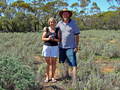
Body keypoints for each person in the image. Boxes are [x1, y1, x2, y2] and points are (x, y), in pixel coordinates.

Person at [56, 8, 80, 84]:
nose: (65, 15)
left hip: (71, 47)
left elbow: (77, 35)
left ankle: (74, 80)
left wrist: (76, 46)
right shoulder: (59, 23)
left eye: (67, 13)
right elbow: (54, 31)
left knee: (73, 63)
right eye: (64, 13)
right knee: (63, 62)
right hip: (61, 47)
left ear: (69, 14)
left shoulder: (73, 23)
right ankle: (66, 76)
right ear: (62, 15)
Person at [42, 17, 60, 83]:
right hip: (47, 47)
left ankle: (52, 77)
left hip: (54, 47)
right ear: (49, 23)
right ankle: (47, 77)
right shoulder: (46, 29)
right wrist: (48, 39)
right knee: (47, 63)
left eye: (53, 22)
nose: (52, 23)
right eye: (51, 22)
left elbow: (59, 39)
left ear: (55, 23)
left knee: (53, 63)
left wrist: (54, 39)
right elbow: (42, 38)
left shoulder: (57, 30)